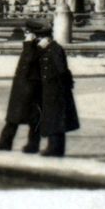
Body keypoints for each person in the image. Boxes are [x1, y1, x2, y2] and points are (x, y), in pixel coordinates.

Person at [0, 22, 45, 154]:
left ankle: (29, 145)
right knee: (17, 117)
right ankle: (8, 142)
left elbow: (29, 60)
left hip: (30, 86)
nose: (25, 34)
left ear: (33, 33)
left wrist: (29, 43)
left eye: (27, 32)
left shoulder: (38, 46)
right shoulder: (34, 45)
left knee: (31, 118)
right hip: (24, 85)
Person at [35, 27, 79, 157]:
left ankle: (55, 149)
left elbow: (62, 70)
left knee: (56, 120)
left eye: (40, 39)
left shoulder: (55, 49)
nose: (38, 41)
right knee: (52, 119)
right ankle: (53, 147)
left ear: (47, 38)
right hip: (50, 90)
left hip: (56, 90)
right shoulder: (47, 49)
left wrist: (61, 89)